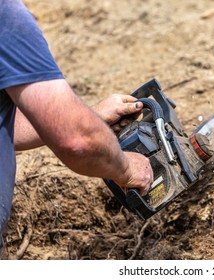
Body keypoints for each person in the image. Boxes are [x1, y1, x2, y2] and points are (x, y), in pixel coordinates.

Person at [0, 0, 154, 256]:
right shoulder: (6, 15)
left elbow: (5, 124)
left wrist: (87, 116)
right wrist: (127, 169)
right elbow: (78, 142)